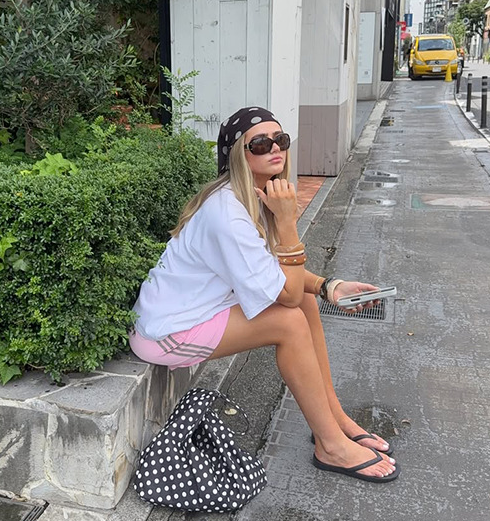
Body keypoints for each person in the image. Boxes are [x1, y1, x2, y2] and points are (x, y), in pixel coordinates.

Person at [129, 107, 398, 483]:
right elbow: (286, 294)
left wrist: (328, 286)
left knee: (305, 301)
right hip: (167, 332)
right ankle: (331, 445)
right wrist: (286, 221)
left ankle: (335, 419)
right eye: (260, 143)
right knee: (290, 320)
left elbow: (279, 277)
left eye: (281, 140)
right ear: (238, 155)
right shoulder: (228, 214)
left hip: (199, 310)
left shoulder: (253, 197)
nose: (275, 148)